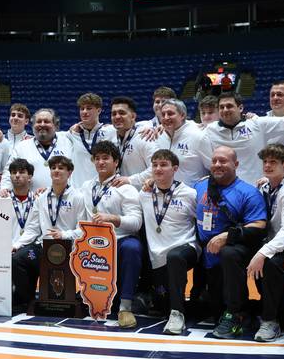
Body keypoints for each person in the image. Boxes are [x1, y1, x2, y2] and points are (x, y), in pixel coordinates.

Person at [194, 146, 267, 339]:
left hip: (233, 253)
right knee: (214, 310)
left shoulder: (248, 192)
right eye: (214, 161)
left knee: (229, 254)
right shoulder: (200, 186)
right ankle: (243, 310)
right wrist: (151, 182)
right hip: (206, 254)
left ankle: (236, 313)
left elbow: (259, 225)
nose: (217, 165)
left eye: (223, 161)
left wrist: (228, 236)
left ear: (236, 164)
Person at [80, 141, 143, 328]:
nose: (100, 162)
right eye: (97, 158)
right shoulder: (86, 186)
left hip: (120, 239)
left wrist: (114, 218)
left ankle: (125, 307)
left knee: (133, 248)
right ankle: (88, 298)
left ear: (116, 162)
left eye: (105, 158)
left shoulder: (125, 188)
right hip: (93, 240)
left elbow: (136, 222)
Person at [11, 156, 85, 313]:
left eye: (61, 168)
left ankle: (74, 299)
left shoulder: (78, 197)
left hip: (69, 249)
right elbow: (32, 228)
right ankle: (27, 301)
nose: (56, 171)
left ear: (69, 172)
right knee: (19, 259)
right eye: (53, 168)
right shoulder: (41, 198)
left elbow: (83, 229)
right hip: (44, 248)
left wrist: (64, 234)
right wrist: (17, 245)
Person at [246, 144, 284, 342]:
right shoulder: (264, 186)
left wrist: (263, 253)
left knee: (271, 265)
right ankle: (268, 312)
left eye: (273, 162)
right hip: (276, 245)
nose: (268, 165)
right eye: (265, 162)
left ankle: (270, 320)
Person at [138, 149, 199, 335]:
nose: (158, 169)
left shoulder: (190, 193)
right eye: (155, 165)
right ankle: (167, 305)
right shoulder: (144, 194)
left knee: (175, 257)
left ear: (175, 168)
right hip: (157, 256)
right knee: (161, 305)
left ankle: (177, 314)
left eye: (163, 165)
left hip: (186, 248)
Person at [202, 92, 284, 184]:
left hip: (256, 188)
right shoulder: (210, 130)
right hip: (226, 190)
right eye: (221, 107)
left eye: (229, 106)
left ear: (240, 108)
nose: (225, 110)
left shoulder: (256, 124)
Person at [0, 108, 74, 193]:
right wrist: (5, 188)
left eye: (46, 121)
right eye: (38, 122)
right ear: (33, 125)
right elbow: (9, 170)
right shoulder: (22, 147)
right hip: (31, 200)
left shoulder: (68, 142)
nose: (42, 125)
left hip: (63, 199)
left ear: (56, 125)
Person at [66, 93, 117, 186]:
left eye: (89, 108)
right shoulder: (72, 134)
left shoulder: (111, 131)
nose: (84, 112)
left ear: (99, 110)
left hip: (104, 188)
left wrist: (150, 128)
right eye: (82, 109)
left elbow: (131, 128)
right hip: (78, 189)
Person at [156, 99, 208, 186]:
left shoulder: (198, 135)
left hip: (193, 195)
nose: (166, 117)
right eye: (163, 114)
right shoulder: (158, 136)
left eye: (170, 113)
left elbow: (212, 167)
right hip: (166, 194)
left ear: (182, 115)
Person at [108, 96, 157, 189]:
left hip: (143, 195)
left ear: (133, 116)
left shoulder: (145, 136)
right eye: (114, 114)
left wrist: (130, 180)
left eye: (122, 113)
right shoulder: (113, 137)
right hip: (123, 195)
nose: (117, 116)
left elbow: (156, 168)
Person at [8, 159, 36, 245]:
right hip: (5, 248)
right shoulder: (1, 200)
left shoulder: (37, 201)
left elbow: (36, 229)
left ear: (30, 177)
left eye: (21, 172)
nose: (17, 175)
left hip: (29, 248)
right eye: (13, 172)